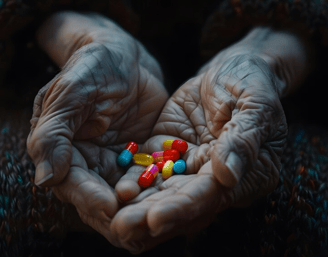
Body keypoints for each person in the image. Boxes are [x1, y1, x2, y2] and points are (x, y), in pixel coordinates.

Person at [1, 0, 328, 256]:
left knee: (296, 214)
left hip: (292, 99)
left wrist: (266, 54)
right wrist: (90, 36)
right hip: (37, 74)